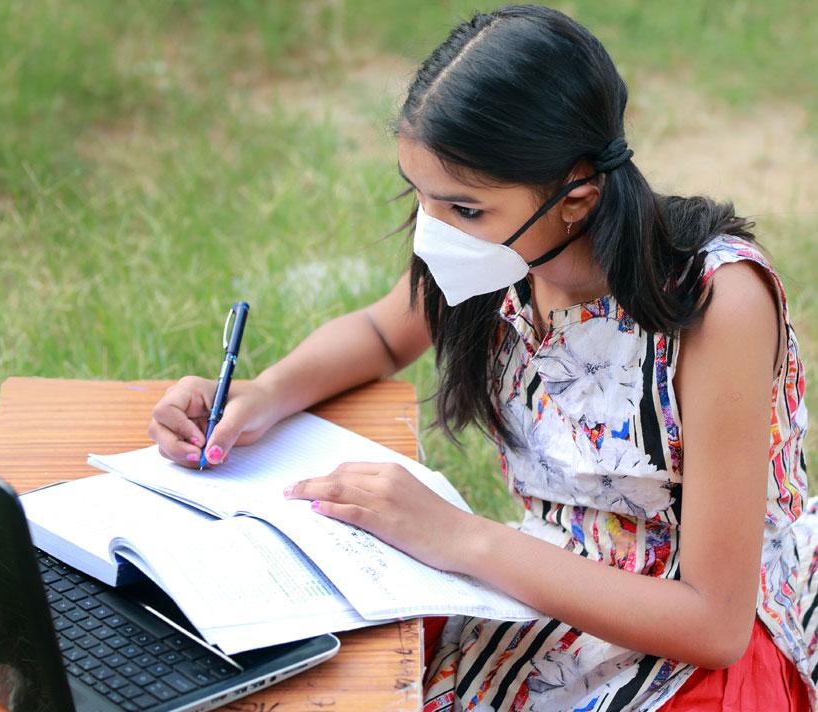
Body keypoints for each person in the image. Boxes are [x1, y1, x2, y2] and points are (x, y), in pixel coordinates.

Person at [146, 4, 814, 710]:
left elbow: (714, 623)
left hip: (688, 638)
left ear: (576, 196)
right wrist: (264, 393)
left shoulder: (717, 300)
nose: (433, 233)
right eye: (421, 197)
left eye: (463, 209)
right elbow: (382, 333)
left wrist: (461, 539)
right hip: (537, 587)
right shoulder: (493, 250)